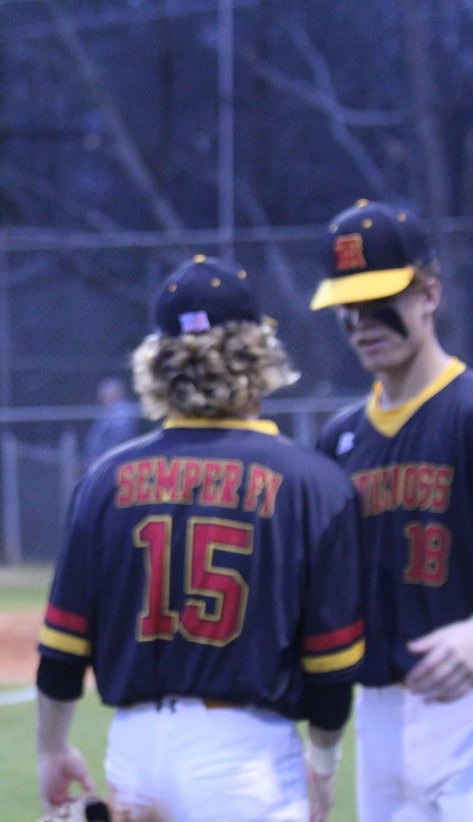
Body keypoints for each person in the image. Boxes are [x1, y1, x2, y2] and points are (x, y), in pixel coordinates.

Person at [36, 255, 365, 821]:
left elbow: (62, 652)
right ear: (257, 355)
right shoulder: (314, 482)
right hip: (246, 755)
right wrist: (323, 760)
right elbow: (331, 667)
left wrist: (51, 747)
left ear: (158, 363)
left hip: (135, 749)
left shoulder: (104, 479)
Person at [311, 199, 473, 820]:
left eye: (380, 299)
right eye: (347, 306)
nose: (361, 322)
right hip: (378, 716)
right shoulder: (341, 439)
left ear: (429, 294)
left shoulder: (466, 412)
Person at [81, 375, 140, 471]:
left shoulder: (123, 412)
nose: (102, 397)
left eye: (107, 394)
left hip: (113, 463)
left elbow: (120, 437)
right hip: (101, 462)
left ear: (118, 394)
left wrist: (100, 458)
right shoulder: (107, 411)